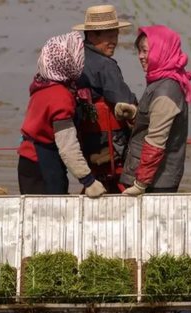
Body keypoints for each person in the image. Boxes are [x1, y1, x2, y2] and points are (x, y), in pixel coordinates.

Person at [17, 31, 106, 198]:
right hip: (42, 166)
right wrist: (88, 181)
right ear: (69, 61)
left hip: (28, 162)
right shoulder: (61, 98)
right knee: (51, 216)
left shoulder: (41, 85)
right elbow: (67, 146)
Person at [120, 25, 191, 195]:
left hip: (157, 182)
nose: (141, 56)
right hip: (152, 177)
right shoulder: (159, 80)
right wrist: (134, 114)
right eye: (139, 51)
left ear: (161, 51)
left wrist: (140, 184)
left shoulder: (166, 91)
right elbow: (154, 119)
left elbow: (156, 142)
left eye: (145, 51)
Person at [72, 4, 138, 192]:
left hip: (84, 142)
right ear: (92, 36)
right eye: (108, 36)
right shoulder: (106, 66)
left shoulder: (75, 60)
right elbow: (124, 100)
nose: (114, 41)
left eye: (115, 35)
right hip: (109, 144)